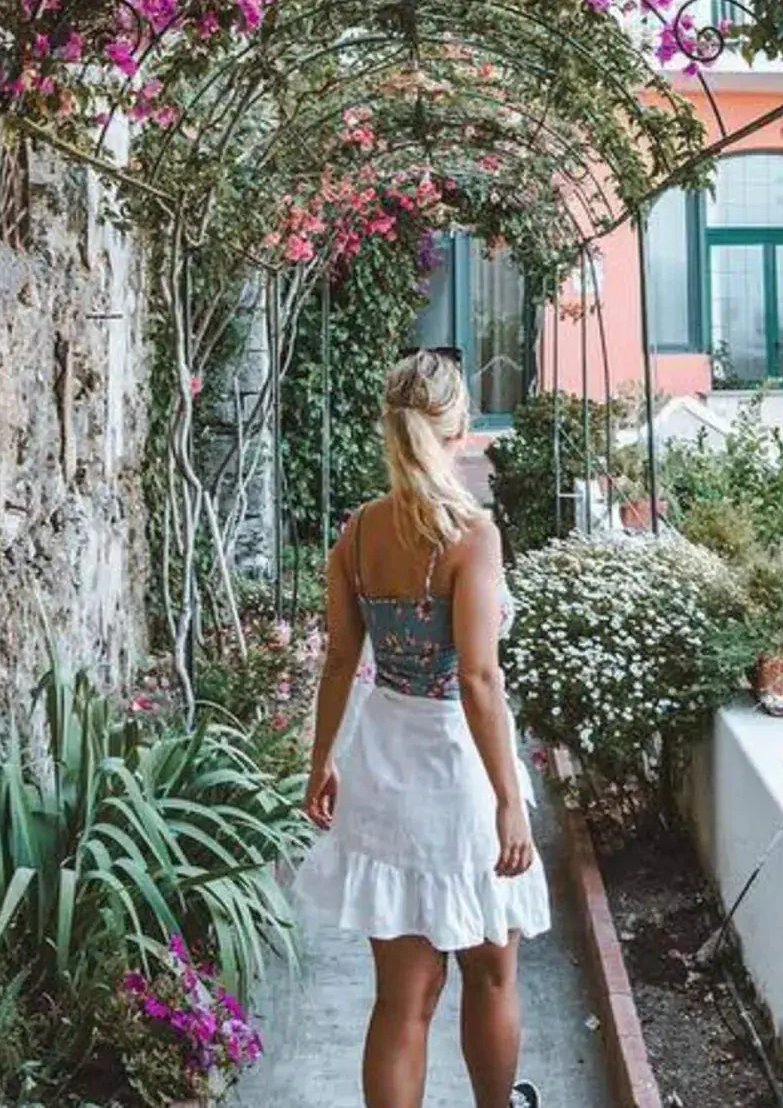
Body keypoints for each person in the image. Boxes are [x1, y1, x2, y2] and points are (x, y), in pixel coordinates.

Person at [296, 350, 549, 1108]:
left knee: (403, 999)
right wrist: (509, 798)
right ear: (459, 426)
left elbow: (341, 661)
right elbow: (478, 678)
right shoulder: (474, 536)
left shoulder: (359, 533)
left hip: (383, 766)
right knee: (491, 970)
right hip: (460, 774)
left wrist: (322, 765)